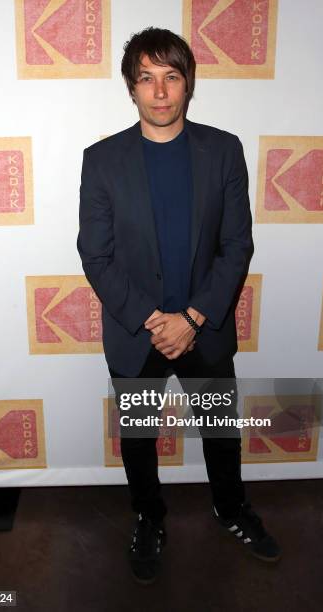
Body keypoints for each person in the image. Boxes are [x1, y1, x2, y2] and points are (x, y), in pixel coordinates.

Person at [77, 27, 280, 584]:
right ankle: (149, 518)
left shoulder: (224, 150)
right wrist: (152, 319)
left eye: (171, 76)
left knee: (220, 429)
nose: (160, 91)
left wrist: (191, 319)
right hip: (134, 331)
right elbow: (94, 254)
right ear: (131, 88)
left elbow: (237, 244)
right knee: (138, 439)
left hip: (204, 329)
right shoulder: (101, 161)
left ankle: (232, 509)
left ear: (188, 84)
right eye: (147, 78)